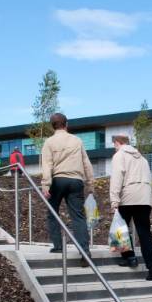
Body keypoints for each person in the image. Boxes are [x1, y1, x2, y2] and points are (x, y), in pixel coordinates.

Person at [41, 113, 94, 266]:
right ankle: (85, 252)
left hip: (57, 180)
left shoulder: (49, 142)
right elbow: (86, 163)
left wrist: (45, 184)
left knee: (52, 213)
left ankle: (58, 246)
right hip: (76, 181)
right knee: (78, 217)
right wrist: (90, 184)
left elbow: (47, 165)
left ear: (52, 126)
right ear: (66, 124)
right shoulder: (77, 140)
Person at [109, 134, 152, 281]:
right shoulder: (142, 158)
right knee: (144, 232)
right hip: (144, 198)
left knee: (120, 229)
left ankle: (129, 258)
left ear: (118, 142)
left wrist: (114, 201)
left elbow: (117, 178)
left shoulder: (120, 155)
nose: (114, 147)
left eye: (114, 144)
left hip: (128, 196)